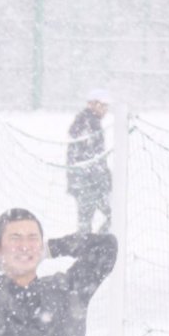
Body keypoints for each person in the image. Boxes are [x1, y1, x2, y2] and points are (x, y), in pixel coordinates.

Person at [66, 90, 112, 235]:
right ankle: (94, 245)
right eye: (102, 105)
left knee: (86, 222)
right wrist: (102, 179)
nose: (105, 109)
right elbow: (88, 156)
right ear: (92, 104)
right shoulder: (87, 123)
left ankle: (92, 244)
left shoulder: (90, 122)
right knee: (109, 216)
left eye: (106, 106)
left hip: (87, 182)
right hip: (89, 183)